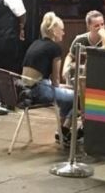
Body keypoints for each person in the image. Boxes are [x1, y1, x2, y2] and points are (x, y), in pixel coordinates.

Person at [22, 12, 78, 145]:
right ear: (53, 30)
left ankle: (62, 131)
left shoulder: (35, 43)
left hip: (24, 90)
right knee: (77, 98)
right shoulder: (54, 48)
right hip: (39, 91)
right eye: (62, 30)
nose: (63, 33)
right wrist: (69, 87)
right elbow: (56, 81)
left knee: (68, 98)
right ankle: (63, 131)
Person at [62, 10, 104, 84]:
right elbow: (70, 55)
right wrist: (65, 69)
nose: (101, 28)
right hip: (84, 76)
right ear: (89, 26)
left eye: (102, 24)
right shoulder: (80, 39)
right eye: (97, 26)